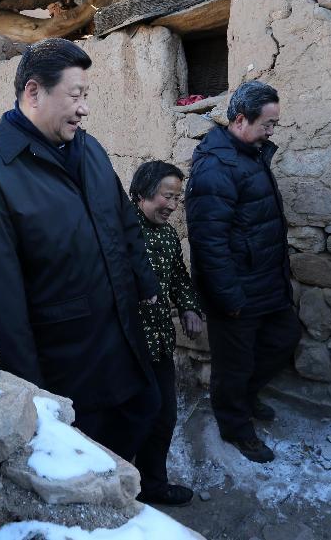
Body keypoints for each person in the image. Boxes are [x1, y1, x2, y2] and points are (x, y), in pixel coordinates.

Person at [0, 38, 161, 462]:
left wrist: (144, 282)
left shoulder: (88, 150)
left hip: (122, 338)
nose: (84, 108)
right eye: (75, 95)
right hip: (71, 367)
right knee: (92, 463)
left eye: (86, 95)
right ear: (34, 92)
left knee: (141, 427)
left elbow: (123, 221)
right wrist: (30, 391)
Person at [185, 81, 301, 463]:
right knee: (233, 366)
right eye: (268, 123)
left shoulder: (250, 153)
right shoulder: (215, 167)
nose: (272, 131)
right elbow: (209, 242)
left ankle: (247, 397)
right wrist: (228, 297)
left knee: (283, 339)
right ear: (240, 120)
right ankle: (236, 427)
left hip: (265, 281)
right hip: (236, 289)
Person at [129, 160, 203, 506]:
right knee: (131, 419)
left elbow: (179, 279)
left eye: (177, 198)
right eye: (166, 196)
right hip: (125, 349)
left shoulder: (168, 234)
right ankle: (114, 485)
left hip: (159, 345)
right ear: (142, 193)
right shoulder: (122, 232)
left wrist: (188, 306)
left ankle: (152, 486)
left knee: (163, 416)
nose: (172, 206)